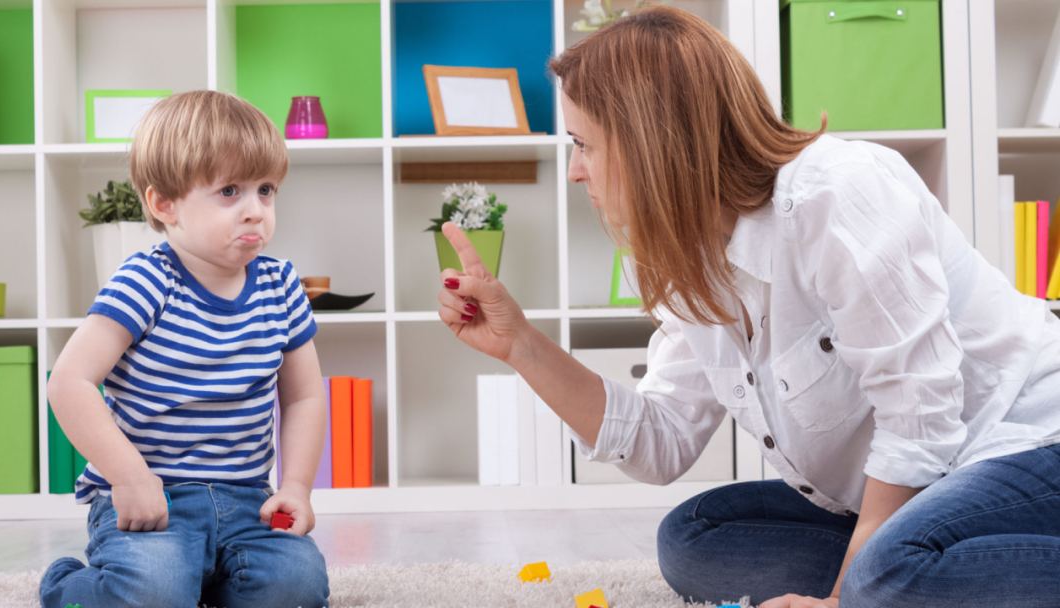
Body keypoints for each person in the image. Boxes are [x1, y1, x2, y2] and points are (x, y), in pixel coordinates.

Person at [435, 7, 1060, 608]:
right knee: (693, 537)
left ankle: (890, 576)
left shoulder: (837, 193)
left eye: (583, 144)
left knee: (879, 582)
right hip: (921, 485)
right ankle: (912, 569)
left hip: (1027, 443)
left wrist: (843, 597)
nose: (575, 172)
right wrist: (521, 344)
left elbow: (920, 418)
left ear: (650, 141)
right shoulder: (690, 257)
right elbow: (663, 441)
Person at [40, 91, 330, 608]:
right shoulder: (146, 281)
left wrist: (297, 487)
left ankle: (208, 583)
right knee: (153, 589)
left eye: (266, 191)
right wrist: (130, 478)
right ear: (163, 204)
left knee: (297, 586)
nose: (254, 211)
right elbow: (69, 382)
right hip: (153, 498)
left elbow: (305, 396)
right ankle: (68, 584)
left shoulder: (281, 285)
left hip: (248, 502)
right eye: (229, 191)